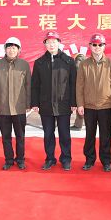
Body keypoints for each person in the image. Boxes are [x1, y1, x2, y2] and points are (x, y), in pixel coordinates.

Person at [31, 31, 76, 171]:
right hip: (46, 105)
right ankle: (50, 158)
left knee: (64, 133)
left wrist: (74, 102)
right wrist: (35, 103)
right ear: (45, 44)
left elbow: (73, 83)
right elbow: (35, 85)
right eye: (48, 42)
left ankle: (66, 158)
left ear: (59, 43)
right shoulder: (39, 63)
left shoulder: (68, 61)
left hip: (64, 104)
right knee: (48, 134)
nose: (51, 44)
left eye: (54, 42)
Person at [76, 33, 111, 172]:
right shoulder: (84, 64)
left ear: (104, 46)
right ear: (90, 46)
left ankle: (106, 161)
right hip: (89, 106)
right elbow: (79, 86)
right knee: (89, 134)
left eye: (99, 45)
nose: (97, 47)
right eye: (94, 45)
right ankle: (89, 160)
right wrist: (80, 104)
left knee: (105, 135)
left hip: (105, 105)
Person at [0, 37, 31, 170]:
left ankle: (20, 159)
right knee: (6, 136)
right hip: (3, 108)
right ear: (5, 49)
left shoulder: (24, 65)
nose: (12, 50)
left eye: (14, 48)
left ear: (19, 50)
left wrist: (28, 104)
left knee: (20, 136)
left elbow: (28, 85)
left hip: (19, 108)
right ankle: (8, 159)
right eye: (9, 47)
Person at [71, 53, 86, 131]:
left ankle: (78, 125)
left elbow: (77, 68)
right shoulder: (86, 62)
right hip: (86, 88)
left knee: (80, 105)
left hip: (80, 87)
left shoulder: (79, 58)